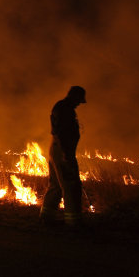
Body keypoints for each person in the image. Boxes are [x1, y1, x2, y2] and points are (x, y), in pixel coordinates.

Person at [40, 86, 86, 227]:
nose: (79, 103)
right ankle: (74, 222)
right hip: (62, 150)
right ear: (74, 97)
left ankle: (47, 217)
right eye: (79, 100)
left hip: (57, 149)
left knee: (56, 185)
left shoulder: (62, 107)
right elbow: (62, 133)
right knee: (71, 185)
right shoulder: (65, 109)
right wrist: (66, 154)